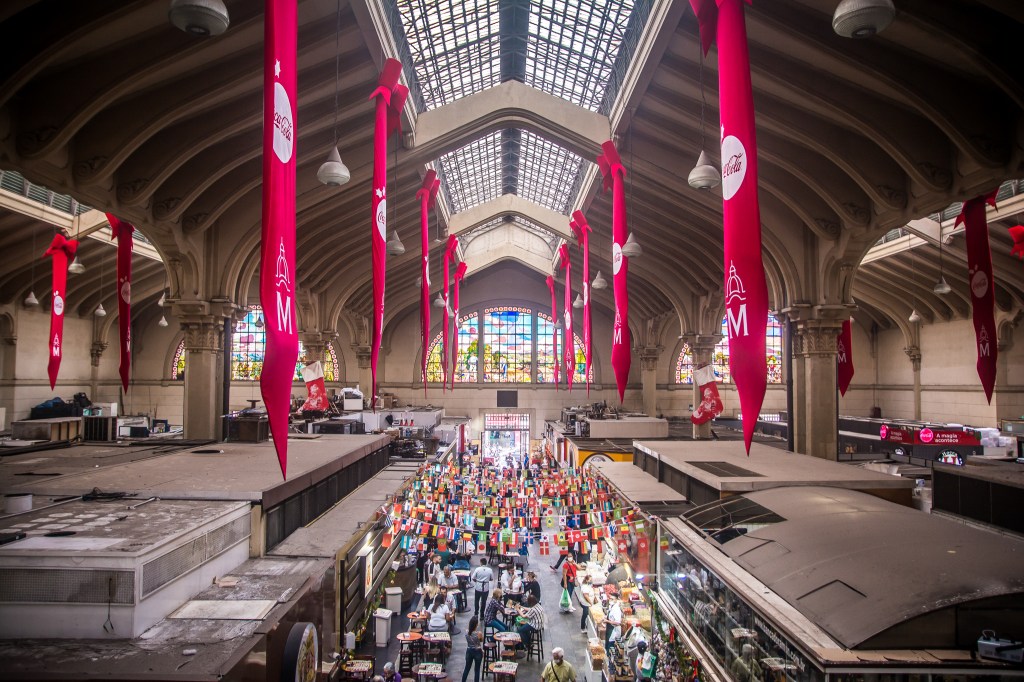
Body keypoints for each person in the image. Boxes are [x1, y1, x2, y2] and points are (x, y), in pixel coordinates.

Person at [462, 616, 484, 682]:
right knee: (477, 670)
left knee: (467, 668)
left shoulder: (466, 632)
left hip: (469, 651)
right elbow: (481, 640)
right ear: (476, 624)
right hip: (477, 651)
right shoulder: (479, 633)